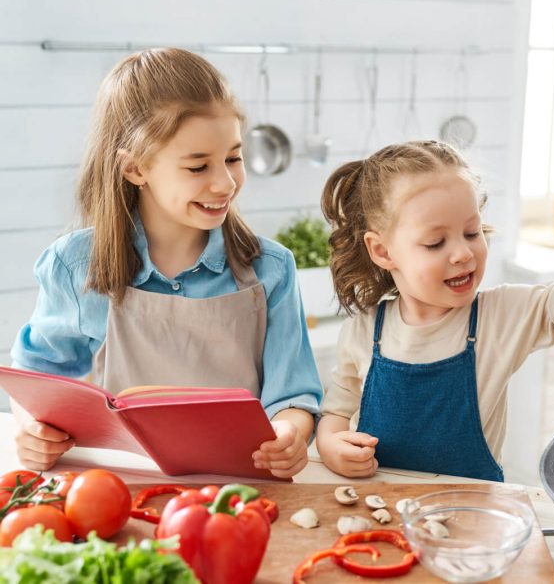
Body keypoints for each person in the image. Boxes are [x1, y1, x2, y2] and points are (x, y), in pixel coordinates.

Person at [9, 48, 322, 478]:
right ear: (135, 168)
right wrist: (31, 428)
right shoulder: (75, 266)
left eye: (233, 157)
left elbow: (293, 397)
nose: (225, 182)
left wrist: (289, 433)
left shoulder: (271, 269)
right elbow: (35, 378)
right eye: (198, 166)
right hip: (121, 489)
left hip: (241, 489)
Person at [315, 140, 554, 481]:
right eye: (436, 243)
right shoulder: (362, 331)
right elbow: (335, 410)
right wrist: (330, 445)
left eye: (472, 232)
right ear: (382, 250)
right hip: (380, 508)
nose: (463, 253)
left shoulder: (501, 315)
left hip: (472, 515)